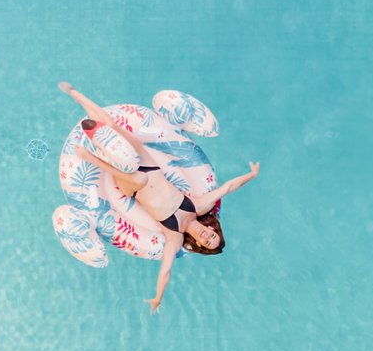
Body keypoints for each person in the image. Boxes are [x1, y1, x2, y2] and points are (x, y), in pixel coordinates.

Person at [59, 82, 259, 315]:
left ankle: (90, 158)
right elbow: (228, 187)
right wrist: (252, 175)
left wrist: (158, 298)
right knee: (113, 125)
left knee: (138, 178)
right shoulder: (199, 206)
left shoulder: (174, 236)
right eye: (213, 235)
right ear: (212, 228)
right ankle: (75, 94)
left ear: (199, 245)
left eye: (207, 242)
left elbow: (166, 271)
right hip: (150, 166)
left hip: (132, 185)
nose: (208, 236)